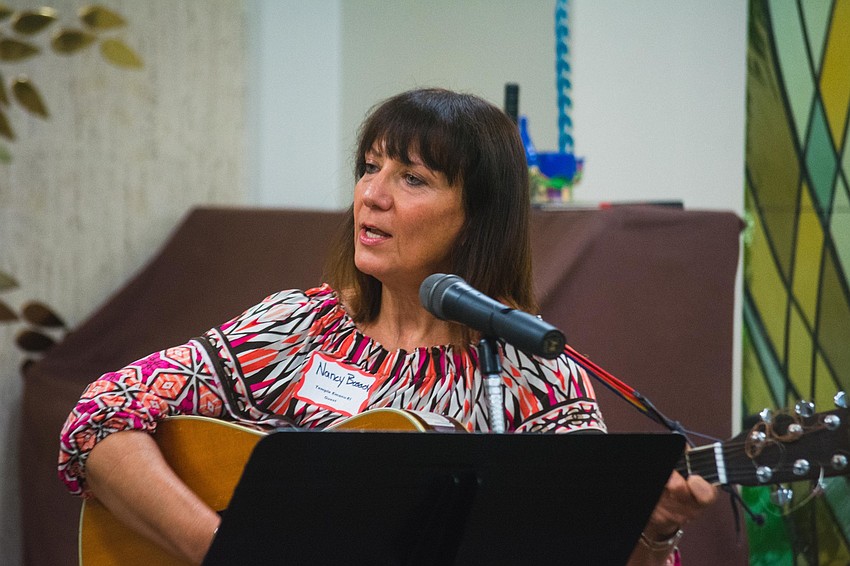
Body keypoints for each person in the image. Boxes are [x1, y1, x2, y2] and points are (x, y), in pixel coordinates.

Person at [59, 88, 717, 565]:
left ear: (477, 218)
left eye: (412, 178)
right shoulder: (298, 329)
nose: (373, 194)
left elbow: (585, 546)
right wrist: (220, 548)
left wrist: (652, 533)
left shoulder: (535, 379)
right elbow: (101, 416)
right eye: (370, 167)